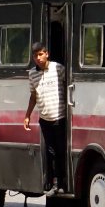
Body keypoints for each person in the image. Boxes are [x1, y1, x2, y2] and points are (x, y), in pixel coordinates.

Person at [23, 42, 66, 197]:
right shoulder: (32, 74)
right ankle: (54, 183)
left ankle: (62, 182)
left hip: (59, 118)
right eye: (35, 56)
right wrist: (27, 115)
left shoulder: (58, 69)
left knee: (61, 151)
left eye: (40, 54)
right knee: (51, 152)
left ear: (47, 54)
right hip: (44, 118)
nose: (38, 58)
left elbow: (67, 86)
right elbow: (34, 96)